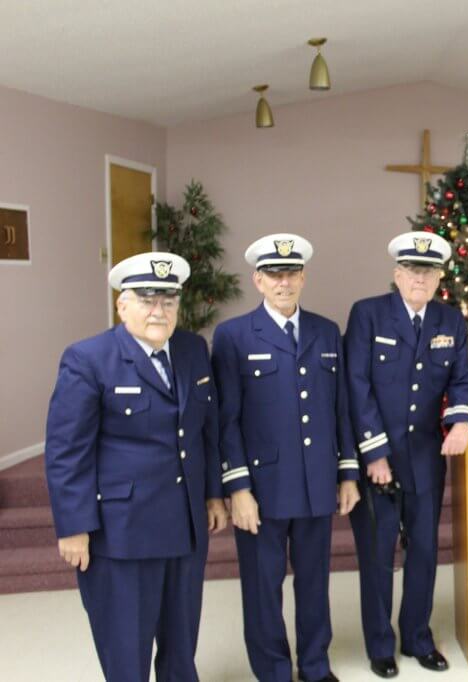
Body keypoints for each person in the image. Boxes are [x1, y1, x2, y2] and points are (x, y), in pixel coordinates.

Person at [45, 252, 228, 681]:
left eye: (167, 301)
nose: (158, 311)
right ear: (121, 305)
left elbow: (206, 429)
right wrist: (73, 526)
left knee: (182, 645)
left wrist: (213, 493)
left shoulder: (191, 349)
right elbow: (66, 451)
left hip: (184, 526)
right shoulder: (89, 359)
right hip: (122, 533)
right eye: (146, 300)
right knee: (126, 650)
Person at [212, 234, 360, 682]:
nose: (283, 282)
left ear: (303, 277)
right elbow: (226, 419)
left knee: (315, 583)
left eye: (291, 273)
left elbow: (341, 409)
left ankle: (315, 666)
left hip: (317, 483)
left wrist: (347, 473)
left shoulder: (325, 331)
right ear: (257, 280)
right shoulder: (234, 336)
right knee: (263, 588)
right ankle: (274, 671)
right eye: (274, 275)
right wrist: (238, 488)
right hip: (262, 489)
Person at [345, 231, 468, 679]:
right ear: (396, 274)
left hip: (425, 457)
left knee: (423, 551)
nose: (419, 279)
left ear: (440, 277)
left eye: (428, 272)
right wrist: (374, 453)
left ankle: (418, 638)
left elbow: (462, 378)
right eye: (411, 271)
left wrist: (462, 421)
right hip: (378, 460)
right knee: (379, 555)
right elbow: (356, 386)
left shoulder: (450, 320)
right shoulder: (368, 315)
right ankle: (380, 645)